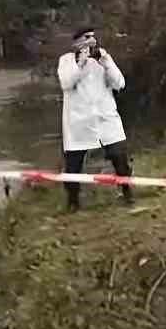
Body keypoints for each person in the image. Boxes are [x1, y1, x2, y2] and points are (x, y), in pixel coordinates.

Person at [56, 26, 133, 211]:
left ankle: (127, 193)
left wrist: (105, 62)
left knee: (119, 157)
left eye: (93, 37)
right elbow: (66, 83)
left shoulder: (103, 58)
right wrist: (80, 64)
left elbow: (119, 83)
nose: (91, 41)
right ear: (76, 42)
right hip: (79, 123)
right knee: (73, 166)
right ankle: (73, 202)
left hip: (106, 120)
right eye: (86, 37)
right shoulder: (66, 60)